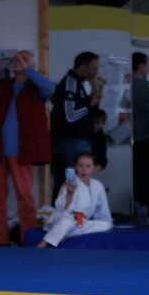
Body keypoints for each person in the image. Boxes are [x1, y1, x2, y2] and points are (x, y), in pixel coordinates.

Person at [0, 49, 53, 246]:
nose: (19, 61)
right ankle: (0, 240)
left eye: (24, 59)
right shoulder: (4, 85)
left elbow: (50, 88)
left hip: (22, 151)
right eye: (16, 59)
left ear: (32, 64)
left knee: (25, 197)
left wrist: (29, 71)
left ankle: (28, 239)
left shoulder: (36, 87)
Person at [37, 153, 113, 248]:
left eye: (88, 166)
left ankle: (64, 235)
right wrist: (70, 193)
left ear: (93, 169)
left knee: (106, 224)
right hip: (65, 218)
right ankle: (43, 244)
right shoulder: (69, 184)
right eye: (80, 166)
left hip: (81, 222)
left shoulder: (98, 186)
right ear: (76, 167)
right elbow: (61, 209)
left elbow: (103, 210)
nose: (84, 170)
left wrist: (105, 222)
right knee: (67, 221)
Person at [50, 52, 100, 196]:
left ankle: (74, 209)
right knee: (70, 185)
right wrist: (89, 105)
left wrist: (90, 102)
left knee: (79, 186)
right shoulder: (70, 83)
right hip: (72, 143)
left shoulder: (79, 84)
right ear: (82, 67)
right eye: (93, 69)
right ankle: (67, 209)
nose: (95, 73)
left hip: (77, 141)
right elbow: (70, 116)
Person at [131, 52, 149, 225]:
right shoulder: (147, 86)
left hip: (131, 141)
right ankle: (148, 215)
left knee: (137, 179)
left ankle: (137, 210)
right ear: (141, 66)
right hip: (148, 139)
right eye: (148, 65)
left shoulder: (126, 85)